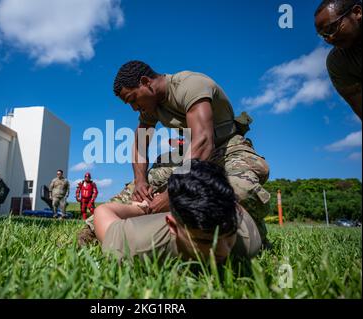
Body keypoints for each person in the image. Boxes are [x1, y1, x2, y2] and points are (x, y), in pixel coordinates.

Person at [78, 61, 271, 248]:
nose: (134, 108)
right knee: (144, 189)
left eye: (133, 99)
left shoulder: (190, 85)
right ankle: (94, 229)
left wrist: (174, 191)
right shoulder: (151, 106)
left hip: (227, 149)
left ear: (145, 82)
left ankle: (253, 232)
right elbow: (139, 143)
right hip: (189, 153)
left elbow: (203, 141)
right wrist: (140, 181)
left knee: (241, 190)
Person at [94, 160, 262, 263]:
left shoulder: (248, 242)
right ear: (172, 226)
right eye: (205, 241)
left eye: (229, 235)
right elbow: (103, 211)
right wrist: (143, 209)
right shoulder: (137, 243)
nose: (224, 251)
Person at [315, 0, 362, 120]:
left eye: (331, 28)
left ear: (357, 12)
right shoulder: (338, 62)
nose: (329, 38)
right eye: (323, 35)